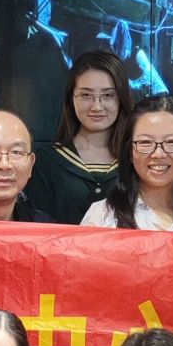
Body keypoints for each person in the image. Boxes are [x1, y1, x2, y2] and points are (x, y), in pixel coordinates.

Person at [80, 95, 173, 230]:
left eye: (172, 142)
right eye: (146, 142)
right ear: (130, 151)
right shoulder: (103, 217)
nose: (158, 154)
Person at [31, 48, 129, 222]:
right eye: (86, 95)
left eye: (108, 95)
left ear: (121, 98)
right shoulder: (46, 161)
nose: (96, 106)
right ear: (71, 98)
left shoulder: (136, 159)